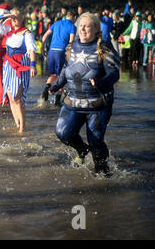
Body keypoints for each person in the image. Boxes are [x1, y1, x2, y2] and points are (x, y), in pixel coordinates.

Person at [49, 12, 120, 176]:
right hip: (72, 102)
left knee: (96, 141)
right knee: (63, 133)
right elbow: (66, 70)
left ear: (96, 29)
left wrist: (101, 82)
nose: (82, 28)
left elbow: (115, 74)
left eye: (87, 25)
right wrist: (55, 86)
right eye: (80, 25)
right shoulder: (70, 48)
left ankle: (103, 175)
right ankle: (81, 150)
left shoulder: (105, 49)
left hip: (98, 105)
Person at [0, 8, 37, 133]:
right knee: (10, 97)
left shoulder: (27, 33)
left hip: (21, 67)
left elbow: (32, 50)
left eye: (16, 17)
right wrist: (5, 15)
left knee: (17, 99)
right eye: (12, 17)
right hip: (8, 66)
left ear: (22, 19)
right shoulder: (8, 30)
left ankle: (22, 128)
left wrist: (33, 65)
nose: (14, 19)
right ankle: (17, 124)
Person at [40, 10, 77, 106]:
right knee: (62, 76)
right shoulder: (72, 26)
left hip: (51, 51)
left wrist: (42, 48)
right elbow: (71, 41)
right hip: (61, 52)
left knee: (53, 75)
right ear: (75, 17)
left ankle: (45, 90)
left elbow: (44, 36)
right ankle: (57, 101)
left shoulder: (56, 23)